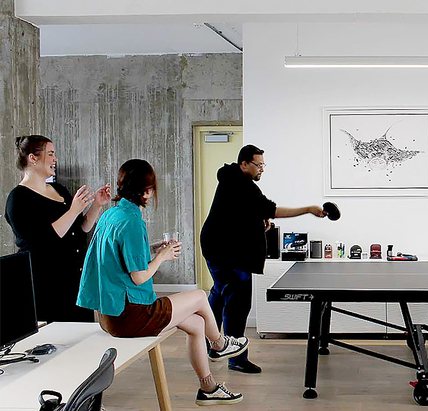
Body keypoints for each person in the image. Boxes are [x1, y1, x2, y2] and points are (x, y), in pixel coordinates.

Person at [76, 159, 249, 405]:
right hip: (129, 316)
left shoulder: (111, 214)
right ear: (147, 191)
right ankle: (220, 344)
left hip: (108, 313)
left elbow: (121, 257)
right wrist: (162, 257)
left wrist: (152, 248)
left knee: (197, 325)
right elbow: (139, 276)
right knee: (200, 295)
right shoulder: (132, 221)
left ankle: (208, 388)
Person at [200, 144, 326, 374]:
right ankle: (235, 357)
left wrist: (257, 221)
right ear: (244, 164)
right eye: (258, 165)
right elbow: (272, 209)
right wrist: (308, 209)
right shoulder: (241, 184)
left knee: (219, 294)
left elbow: (238, 213)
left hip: (217, 247)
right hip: (227, 252)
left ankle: (212, 345)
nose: (262, 170)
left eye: (263, 165)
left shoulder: (232, 179)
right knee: (237, 303)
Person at [4, 135, 110, 323]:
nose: (56, 159)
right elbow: (41, 240)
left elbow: (81, 228)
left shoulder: (59, 189)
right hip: (46, 285)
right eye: (51, 154)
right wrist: (73, 209)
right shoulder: (18, 199)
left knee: (82, 340)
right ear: (33, 158)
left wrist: (96, 205)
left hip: (74, 281)